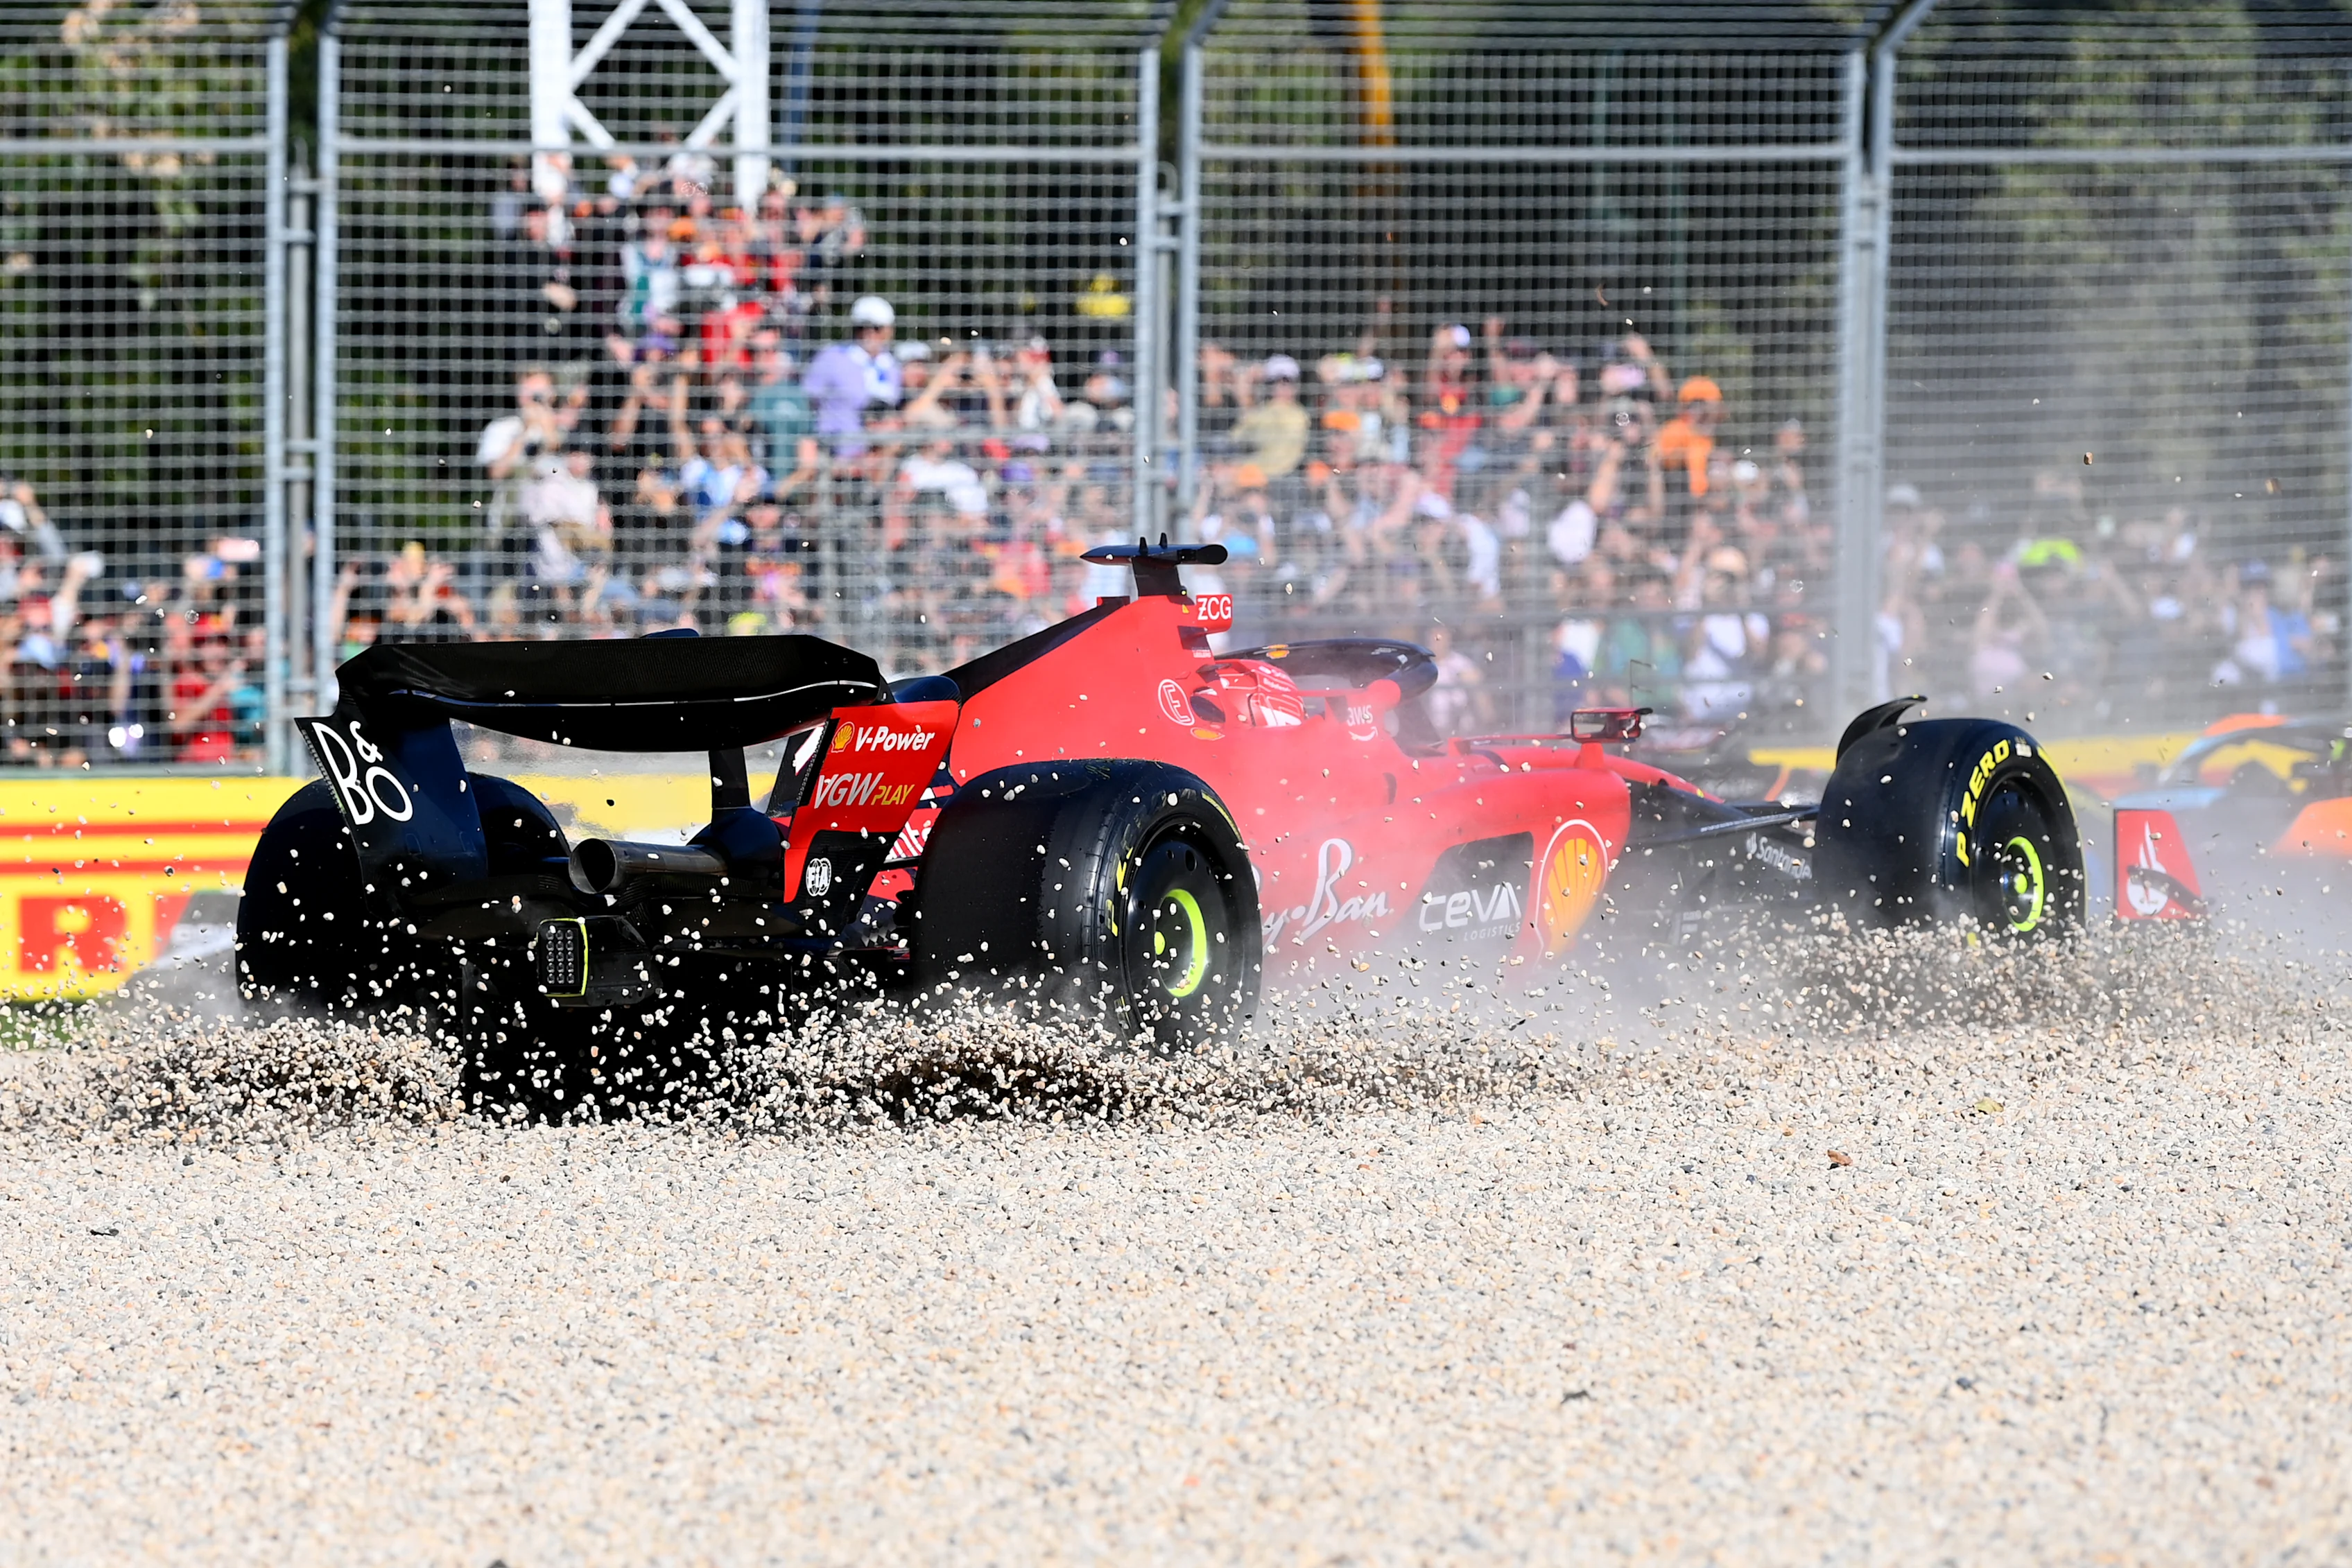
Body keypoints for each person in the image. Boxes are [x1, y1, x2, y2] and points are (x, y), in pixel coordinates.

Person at [800, 294, 902, 453]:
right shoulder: (832, 357)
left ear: (890, 330)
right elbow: (807, 399)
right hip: (836, 452)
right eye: (862, 327)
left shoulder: (891, 365)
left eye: (876, 328)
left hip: (879, 457)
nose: (869, 333)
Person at [1229, 354, 1308, 480]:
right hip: (1254, 475)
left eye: (1287, 382)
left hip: (1280, 479)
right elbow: (1236, 438)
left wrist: (1245, 401)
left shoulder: (1298, 415)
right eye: (1275, 382)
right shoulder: (1263, 410)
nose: (1281, 387)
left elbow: (1257, 439)